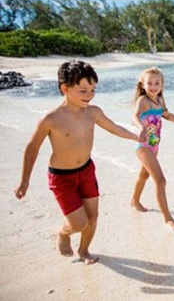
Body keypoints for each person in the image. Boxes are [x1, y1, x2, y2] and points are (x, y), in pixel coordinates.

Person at [14, 60, 144, 265]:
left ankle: (84, 251)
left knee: (92, 218)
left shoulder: (93, 112)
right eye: (83, 90)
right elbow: (32, 148)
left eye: (93, 89)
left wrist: (136, 136)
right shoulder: (51, 118)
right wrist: (24, 180)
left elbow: (114, 128)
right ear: (64, 88)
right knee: (78, 222)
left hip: (86, 170)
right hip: (61, 177)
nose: (89, 95)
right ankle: (63, 234)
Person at [131, 67, 174, 231]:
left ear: (162, 85)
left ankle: (134, 201)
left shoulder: (160, 101)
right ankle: (168, 219)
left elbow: (167, 115)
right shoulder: (143, 101)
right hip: (143, 146)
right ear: (143, 85)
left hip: (155, 145)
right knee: (160, 180)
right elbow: (134, 116)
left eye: (157, 83)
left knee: (143, 175)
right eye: (149, 83)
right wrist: (141, 127)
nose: (153, 86)